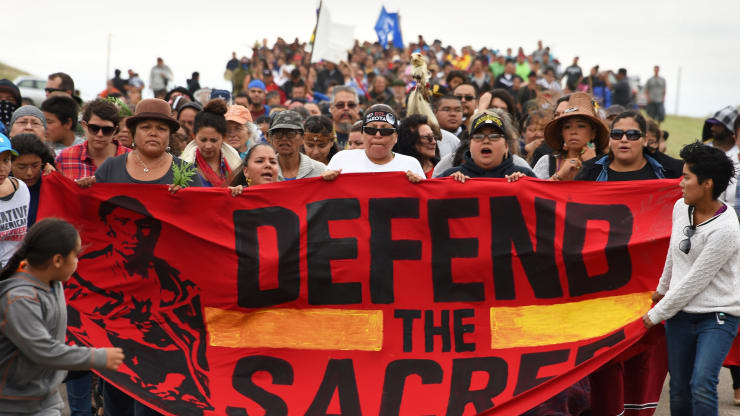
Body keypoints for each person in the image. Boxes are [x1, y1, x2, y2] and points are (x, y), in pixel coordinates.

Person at [643, 142, 739, 415]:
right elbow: (674, 255)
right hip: (680, 314)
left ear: (707, 184)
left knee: (701, 383)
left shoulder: (727, 228)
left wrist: (656, 314)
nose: (680, 183)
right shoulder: (679, 208)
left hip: (717, 315)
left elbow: (696, 280)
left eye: (686, 177)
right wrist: (661, 290)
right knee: (680, 389)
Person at [0, 218, 124, 415]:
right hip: (13, 406)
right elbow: (43, 350)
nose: (78, 261)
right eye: (75, 255)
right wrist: (97, 357)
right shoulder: (19, 299)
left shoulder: (53, 283)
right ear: (57, 260)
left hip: (44, 399)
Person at [324, 104, 425, 181]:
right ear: (363, 134)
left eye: (386, 130)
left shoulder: (410, 164)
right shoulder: (341, 159)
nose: (378, 135)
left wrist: (418, 184)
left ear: (396, 137)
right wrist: (325, 181)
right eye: (371, 129)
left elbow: (424, 202)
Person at [577, 111, 682, 181]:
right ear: (610, 139)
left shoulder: (669, 171)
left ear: (645, 140)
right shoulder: (589, 171)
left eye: (632, 135)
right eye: (617, 134)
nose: (623, 140)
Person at [442, 110, 534, 181]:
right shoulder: (450, 176)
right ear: (470, 145)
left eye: (494, 136)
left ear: (506, 146)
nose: (486, 141)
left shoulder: (524, 175)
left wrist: (527, 185)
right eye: (479, 136)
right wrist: (448, 186)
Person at [533, 92, 607, 180]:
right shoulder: (547, 162)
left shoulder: (606, 164)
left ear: (593, 133)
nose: (573, 132)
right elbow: (533, 190)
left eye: (581, 126)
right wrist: (559, 175)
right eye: (567, 127)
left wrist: (591, 164)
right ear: (561, 133)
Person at [56, 99, 131, 181]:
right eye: (94, 128)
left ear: (115, 131)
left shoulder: (131, 159)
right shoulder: (65, 158)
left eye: (107, 130)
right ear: (84, 126)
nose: (100, 134)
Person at [180, 100, 241, 187]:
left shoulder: (234, 163)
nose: (208, 146)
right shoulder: (184, 165)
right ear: (194, 136)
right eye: (203, 140)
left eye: (214, 140)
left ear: (223, 138)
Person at [10, 134, 55, 227]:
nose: (29, 173)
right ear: (9, 164)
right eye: (21, 167)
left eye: (35, 165)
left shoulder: (51, 186)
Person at [267, 110, 326, 180]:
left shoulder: (320, 171)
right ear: (271, 138)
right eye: (278, 134)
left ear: (303, 138)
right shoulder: (266, 171)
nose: (284, 138)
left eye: (291, 133)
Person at [395, 114, 440, 178]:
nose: (433, 142)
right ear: (410, 141)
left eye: (433, 137)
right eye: (426, 137)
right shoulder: (398, 171)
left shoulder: (442, 168)